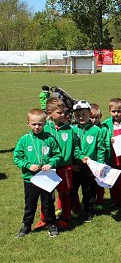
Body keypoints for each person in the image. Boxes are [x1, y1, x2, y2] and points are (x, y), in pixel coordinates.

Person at [13, 109, 62, 238]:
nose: (37, 127)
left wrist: (50, 163)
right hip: (31, 179)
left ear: (45, 123)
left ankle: (51, 224)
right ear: (28, 123)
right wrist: (28, 165)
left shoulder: (50, 139)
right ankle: (26, 225)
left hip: (46, 178)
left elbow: (58, 155)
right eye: (34, 124)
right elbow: (17, 157)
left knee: (48, 203)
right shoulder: (24, 140)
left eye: (40, 124)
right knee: (30, 203)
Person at [35, 98, 82, 230]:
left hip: (65, 168)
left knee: (65, 194)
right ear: (49, 113)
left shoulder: (69, 129)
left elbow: (76, 149)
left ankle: (65, 218)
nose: (63, 115)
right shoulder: (44, 129)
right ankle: (44, 219)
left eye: (63, 112)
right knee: (46, 196)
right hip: (48, 168)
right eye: (59, 113)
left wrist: (79, 159)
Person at [71, 100, 108, 222]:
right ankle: (74, 208)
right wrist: (72, 163)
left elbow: (101, 148)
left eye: (83, 114)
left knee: (89, 190)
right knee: (73, 189)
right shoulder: (72, 130)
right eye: (77, 115)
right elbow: (71, 149)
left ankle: (88, 210)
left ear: (89, 114)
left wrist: (100, 164)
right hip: (76, 166)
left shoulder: (97, 130)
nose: (80, 117)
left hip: (91, 167)